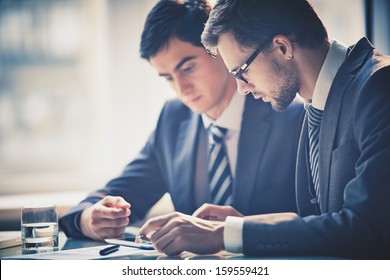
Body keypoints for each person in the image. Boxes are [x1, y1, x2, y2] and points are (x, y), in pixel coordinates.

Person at [137, 0, 390, 259]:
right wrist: (239, 226)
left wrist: (223, 236)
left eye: (241, 72)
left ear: (282, 47)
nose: (242, 88)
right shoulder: (321, 102)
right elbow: (322, 223)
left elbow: (365, 229)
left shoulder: (379, 87)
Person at [59, 0, 304, 241]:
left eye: (187, 68)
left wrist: (240, 232)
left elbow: (323, 223)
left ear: (220, 50)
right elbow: (121, 192)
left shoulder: (291, 115)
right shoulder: (173, 119)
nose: (181, 88)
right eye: (168, 78)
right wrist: (89, 218)